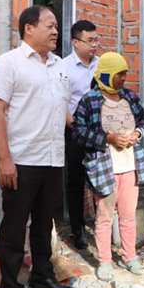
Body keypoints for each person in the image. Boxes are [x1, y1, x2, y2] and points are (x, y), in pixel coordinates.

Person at [0, 5, 75, 288]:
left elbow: (59, 107)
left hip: (53, 158)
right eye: (49, 25)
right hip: (22, 161)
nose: (55, 31)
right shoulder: (9, 63)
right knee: (14, 228)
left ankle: (42, 275)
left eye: (55, 26)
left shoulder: (60, 65)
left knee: (43, 224)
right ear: (29, 28)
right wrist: (4, 159)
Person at [72, 52, 144, 281]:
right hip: (103, 169)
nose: (124, 78)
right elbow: (79, 132)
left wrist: (137, 133)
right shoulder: (90, 100)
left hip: (129, 167)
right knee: (104, 216)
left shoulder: (129, 97)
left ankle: (129, 257)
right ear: (105, 75)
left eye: (125, 73)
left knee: (128, 215)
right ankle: (105, 261)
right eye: (119, 74)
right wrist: (108, 139)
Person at [61, 20, 100, 249]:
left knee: (100, 179)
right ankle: (78, 229)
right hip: (74, 131)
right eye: (90, 40)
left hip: (99, 132)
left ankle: (101, 224)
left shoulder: (101, 65)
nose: (95, 44)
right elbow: (61, 101)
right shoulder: (64, 67)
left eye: (97, 39)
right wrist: (75, 125)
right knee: (76, 180)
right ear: (76, 42)